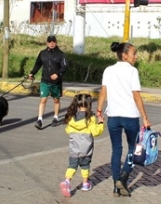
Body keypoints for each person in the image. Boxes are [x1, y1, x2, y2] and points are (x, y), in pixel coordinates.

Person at [97, 41, 151, 197]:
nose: (136, 56)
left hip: (113, 116)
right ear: (124, 55)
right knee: (133, 149)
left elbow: (102, 93)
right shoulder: (132, 71)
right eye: (134, 53)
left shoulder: (108, 70)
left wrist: (99, 112)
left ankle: (116, 187)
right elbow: (136, 96)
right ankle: (123, 177)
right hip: (130, 116)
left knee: (116, 150)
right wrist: (145, 117)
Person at [59, 93, 105, 197]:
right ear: (89, 105)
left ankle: (67, 181)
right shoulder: (90, 118)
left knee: (72, 165)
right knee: (85, 165)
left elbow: (68, 130)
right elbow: (96, 132)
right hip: (86, 149)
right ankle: (85, 184)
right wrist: (101, 123)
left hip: (74, 148)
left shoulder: (71, 117)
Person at [28, 35, 69, 129]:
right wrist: (32, 73)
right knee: (43, 99)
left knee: (56, 100)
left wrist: (58, 74)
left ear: (56, 42)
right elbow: (37, 64)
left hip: (56, 82)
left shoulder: (61, 54)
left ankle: (55, 118)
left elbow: (65, 67)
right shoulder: (42, 53)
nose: (51, 43)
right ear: (47, 43)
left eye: (53, 41)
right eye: (49, 42)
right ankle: (39, 120)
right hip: (45, 81)